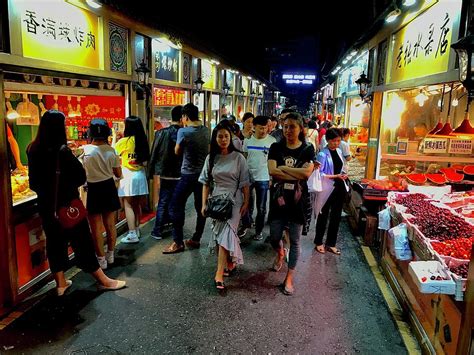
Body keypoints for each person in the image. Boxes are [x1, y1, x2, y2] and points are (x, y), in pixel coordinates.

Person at [27, 110, 125, 295]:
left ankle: (61, 284)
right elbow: (80, 177)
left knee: (54, 243)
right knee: (82, 242)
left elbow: (33, 183)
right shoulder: (63, 151)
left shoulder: (32, 149)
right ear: (59, 128)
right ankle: (103, 280)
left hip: (47, 208)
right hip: (68, 205)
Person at [267, 112, 315, 295]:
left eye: (292, 126)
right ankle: (280, 252)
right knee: (274, 236)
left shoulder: (308, 149)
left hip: (298, 200)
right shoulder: (275, 147)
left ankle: (289, 278)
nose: (288, 130)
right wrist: (296, 171)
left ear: (300, 128)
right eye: (285, 126)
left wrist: (284, 168)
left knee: (295, 241)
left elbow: (306, 175)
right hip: (279, 198)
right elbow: (272, 171)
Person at [199, 122, 250, 291]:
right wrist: (204, 203)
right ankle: (229, 262)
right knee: (221, 234)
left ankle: (219, 273)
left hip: (234, 201)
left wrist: (246, 202)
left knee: (225, 234)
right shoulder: (211, 158)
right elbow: (206, 182)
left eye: (226, 136)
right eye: (220, 136)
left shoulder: (239, 158)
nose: (223, 139)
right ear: (215, 138)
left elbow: (245, 184)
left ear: (231, 138)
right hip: (216, 201)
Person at [163, 103, 210, 254]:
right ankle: (196, 239)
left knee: (175, 206)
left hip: (188, 175)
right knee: (200, 208)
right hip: (202, 175)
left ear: (185, 117)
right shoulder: (206, 130)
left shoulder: (183, 131)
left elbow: (177, 151)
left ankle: (178, 242)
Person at [82, 119, 122, 270]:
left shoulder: (84, 150)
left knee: (96, 227)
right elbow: (118, 173)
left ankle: (101, 260)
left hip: (92, 190)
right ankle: (110, 255)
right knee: (110, 224)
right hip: (108, 187)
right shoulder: (111, 151)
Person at [148, 106, 183, 240]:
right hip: (180, 173)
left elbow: (154, 152)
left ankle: (158, 230)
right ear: (182, 118)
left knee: (163, 201)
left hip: (164, 172)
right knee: (177, 202)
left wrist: (151, 172)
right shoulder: (183, 133)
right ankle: (174, 228)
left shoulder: (161, 133)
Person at [313, 128, 348, 255]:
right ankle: (318, 242)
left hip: (339, 188)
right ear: (327, 140)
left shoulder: (339, 151)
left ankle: (331, 243)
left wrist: (343, 174)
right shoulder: (322, 154)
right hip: (326, 189)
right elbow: (319, 174)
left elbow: (341, 167)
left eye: (338, 141)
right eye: (333, 141)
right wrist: (336, 176)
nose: (336, 143)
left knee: (336, 217)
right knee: (323, 215)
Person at [240, 115, 276, 240]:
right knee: (245, 204)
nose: (263, 131)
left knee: (261, 207)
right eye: (260, 128)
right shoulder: (247, 140)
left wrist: (272, 178)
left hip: (264, 177)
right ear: (254, 127)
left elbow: (273, 162)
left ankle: (258, 231)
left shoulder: (272, 141)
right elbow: (244, 158)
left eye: (265, 128)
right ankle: (246, 224)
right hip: (248, 177)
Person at [115, 116, 150, 243]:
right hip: (140, 174)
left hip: (128, 175)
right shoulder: (142, 141)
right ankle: (137, 229)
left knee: (128, 204)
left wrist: (114, 137)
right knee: (136, 204)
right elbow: (145, 162)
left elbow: (114, 153)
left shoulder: (124, 141)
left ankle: (132, 234)